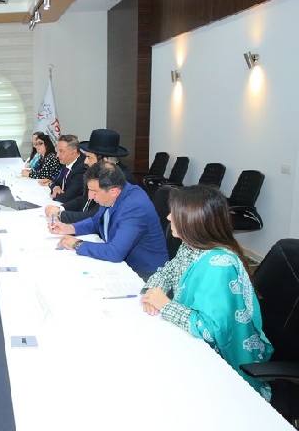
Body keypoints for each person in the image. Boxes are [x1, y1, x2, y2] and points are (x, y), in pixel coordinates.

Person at [140, 185, 273, 400]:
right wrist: (152, 291)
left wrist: (165, 305)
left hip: (221, 364)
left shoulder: (218, 265)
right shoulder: (191, 245)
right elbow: (169, 270)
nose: (168, 217)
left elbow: (211, 331)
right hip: (189, 341)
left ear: (193, 220)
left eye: (174, 213)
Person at [50, 162, 168, 278]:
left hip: (145, 274)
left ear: (113, 191)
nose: (90, 196)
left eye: (94, 191)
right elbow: (96, 221)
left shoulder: (135, 206)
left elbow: (115, 252)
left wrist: (77, 244)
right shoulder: (111, 195)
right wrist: (70, 228)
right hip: (122, 265)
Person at [45, 129, 134, 222]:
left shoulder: (120, 179)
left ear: (104, 160)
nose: (85, 161)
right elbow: (84, 199)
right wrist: (61, 208)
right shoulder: (101, 172)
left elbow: (96, 215)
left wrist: (61, 215)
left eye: (89, 157)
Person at [39, 134, 86, 203]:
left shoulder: (82, 169)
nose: (57, 155)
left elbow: (66, 197)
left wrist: (54, 193)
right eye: (57, 151)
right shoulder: (67, 161)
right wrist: (55, 187)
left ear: (73, 152)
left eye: (61, 151)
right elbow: (56, 182)